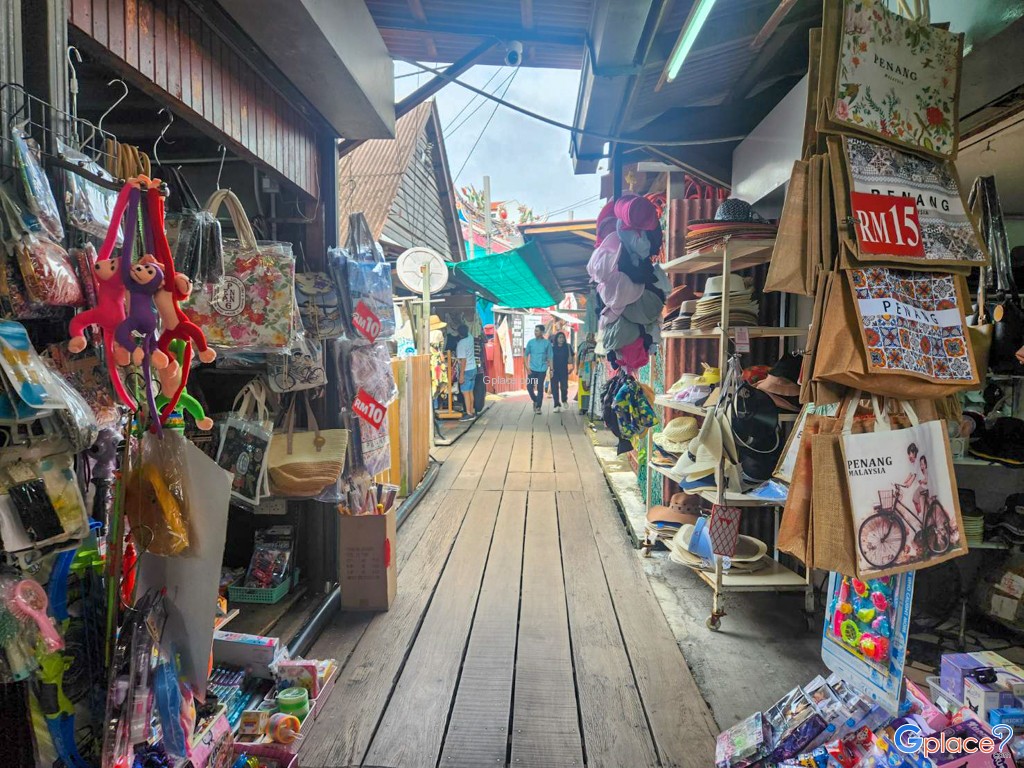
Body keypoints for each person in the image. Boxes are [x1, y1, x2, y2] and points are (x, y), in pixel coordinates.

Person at [524, 324, 552, 415]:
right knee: (529, 387)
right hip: (532, 369)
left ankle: (538, 407)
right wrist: (527, 367)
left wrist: (551, 369)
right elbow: (525, 355)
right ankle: (535, 400)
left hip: (542, 369)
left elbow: (550, 357)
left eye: (537, 331)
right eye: (535, 330)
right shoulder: (530, 342)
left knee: (540, 387)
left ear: (542, 332)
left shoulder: (547, 343)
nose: (535, 332)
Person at [455, 324, 477, 420]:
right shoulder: (470, 338)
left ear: (459, 334)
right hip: (473, 368)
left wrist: (461, 375)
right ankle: (472, 411)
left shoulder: (461, 344)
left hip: (466, 369)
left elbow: (463, 360)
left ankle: (468, 413)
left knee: (465, 392)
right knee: (471, 391)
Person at [550, 332, 573, 412]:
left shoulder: (567, 347)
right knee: (554, 388)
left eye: (562, 337)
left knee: (564, 386)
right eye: (559, 337)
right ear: (556, 339)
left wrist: (572, 366)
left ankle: (564, 400)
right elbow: (550, 359)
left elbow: (571, 358)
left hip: (564, 369)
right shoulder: (552, 348)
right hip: (554, 370)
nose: (561, 339)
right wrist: (551, 369)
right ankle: (556, 404)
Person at [576, 332, 597, 411]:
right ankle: (582, 407)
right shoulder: (583, 345)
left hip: (593, 368)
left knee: (591, 388)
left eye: (592, 336)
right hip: (585, 367)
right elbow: (578, 357)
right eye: (590, 336)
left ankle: (590, 407)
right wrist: (577, 368)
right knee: (583, 388)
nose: (591, 338)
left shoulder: (597, 345)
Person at [901, 443, 923, 515]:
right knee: (915, 499)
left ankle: (920, 514)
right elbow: (911, 473)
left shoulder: (917, 462)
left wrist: (909, 483)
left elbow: (914, 475)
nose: (909, 455)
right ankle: (920, 513)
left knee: (915, 499)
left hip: (924, 485)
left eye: (910, 453)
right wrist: (905, 481)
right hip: (922, 484)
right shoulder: (914, 462)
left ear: (914, 453)